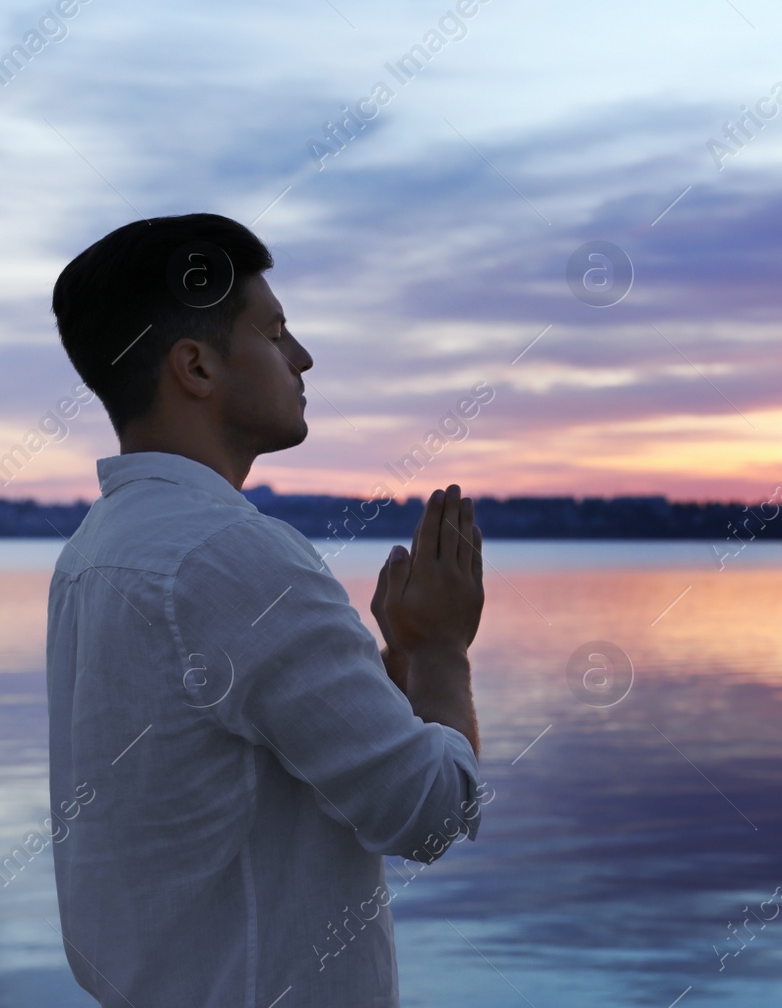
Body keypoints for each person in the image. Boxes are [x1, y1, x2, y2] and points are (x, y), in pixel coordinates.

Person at [45, 213, 487, 1007]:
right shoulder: (236, 556)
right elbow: (427, 812)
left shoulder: (95, 551)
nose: (302, 355)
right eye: (275, 330)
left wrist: (395, 669)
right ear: (196, 367)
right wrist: (445, 651)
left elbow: (240, 765)